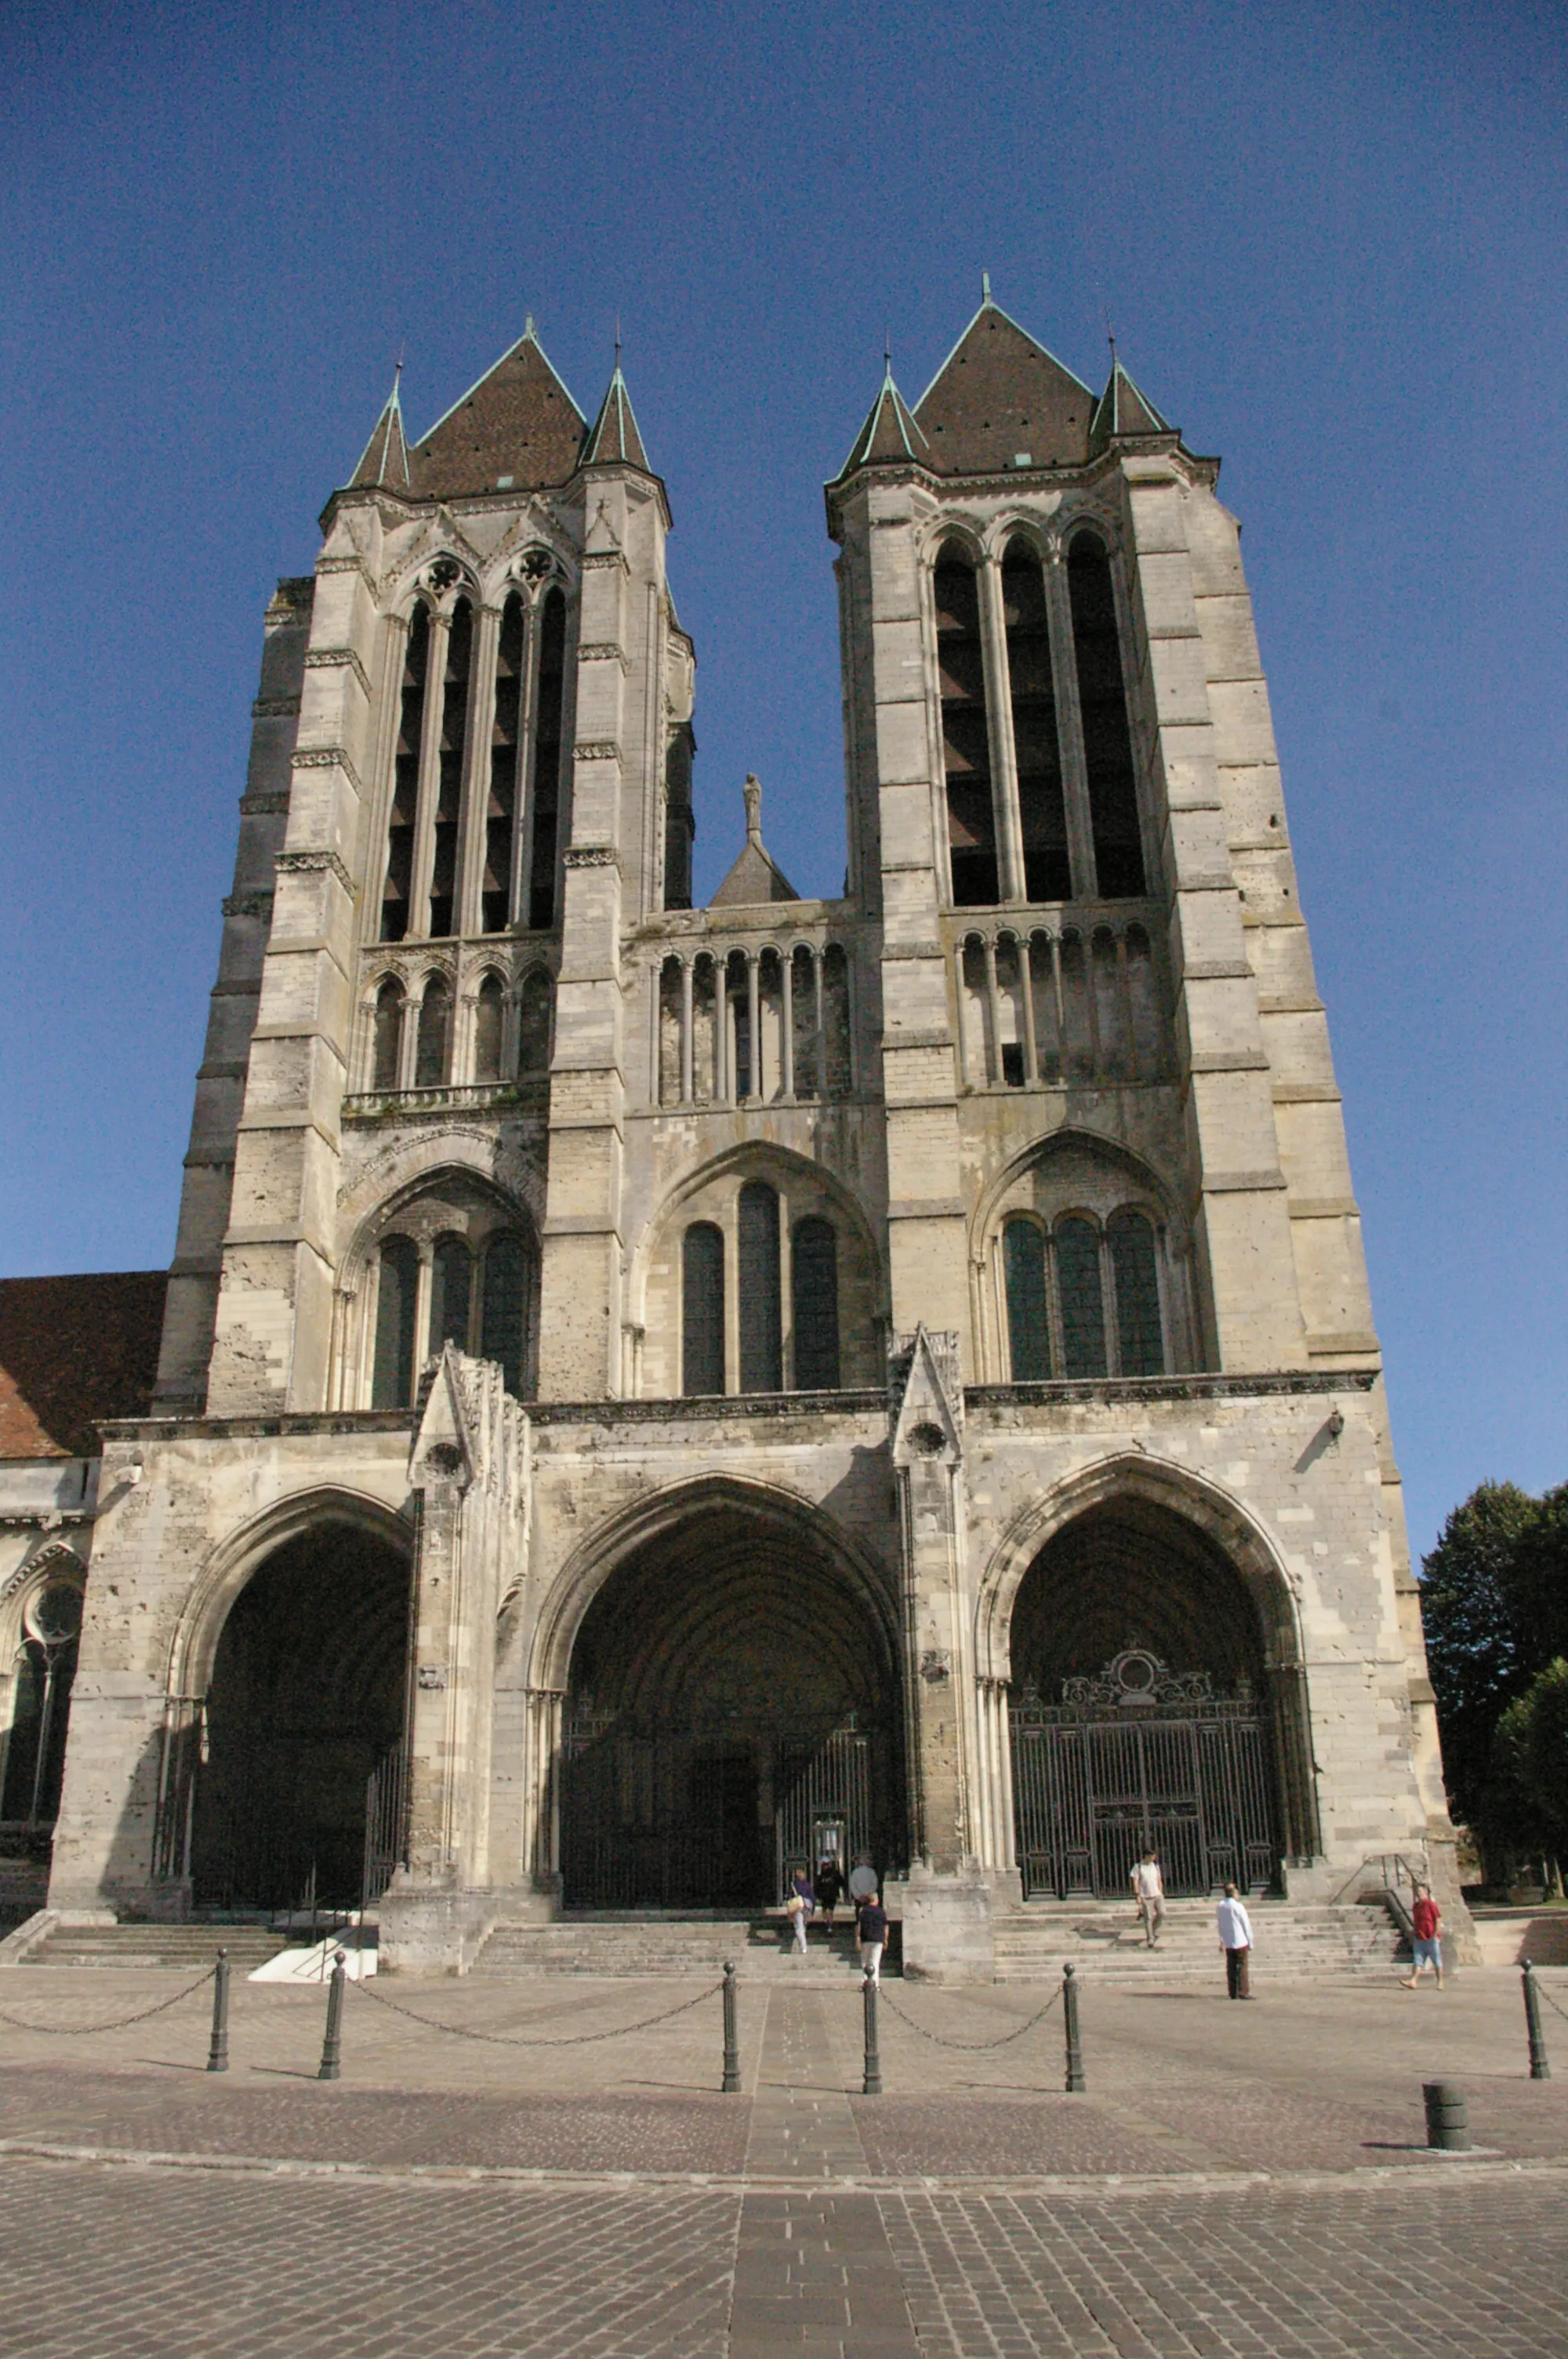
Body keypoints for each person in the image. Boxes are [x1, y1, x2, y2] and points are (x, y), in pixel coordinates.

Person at [1400, 1887, 1444, 1989]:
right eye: (1417, 1892)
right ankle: (1413, 1981)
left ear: (1426, 1893)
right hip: (1420, 1936)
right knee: (1418, 1961)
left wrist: (1435, 1934)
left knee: (1437, 1960)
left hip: (1431, 1937)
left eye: (1420, 1892)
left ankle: (1440, 1982)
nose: (1418, 1894)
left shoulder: (1431, 1904)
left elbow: (1438, 1919)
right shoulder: (1416, 1906)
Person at [1216, 1882, 1253, 1997]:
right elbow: (1246, 1925)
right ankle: (1243, 1991)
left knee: (1231, 1967)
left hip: (1229, 1941)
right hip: (1240, 1940)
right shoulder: (1238, 1906)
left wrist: (1222, 1940)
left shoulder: (1221, 1906)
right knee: (1242, 1966)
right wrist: (1250, 1941)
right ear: (1234, 1893)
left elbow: (1220, 1924)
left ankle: (1232, 1991)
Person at [1130, 1851, 1165, 1947]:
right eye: (1152, 1855)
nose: (1154, 1857)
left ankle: (1152, 1931)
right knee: (1148, 1917)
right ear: (1147, 1856)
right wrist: (1137, 1895)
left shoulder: (1155, 1866)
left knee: (1162, 1913)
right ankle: (1150, 1938)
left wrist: (1161, 1892)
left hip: (1157, 1894)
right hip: (1145, 1895)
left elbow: (1159, 1879)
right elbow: (1135, 1881)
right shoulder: (1138, 1867)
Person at [857, 1888, 889, 1983]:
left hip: (865, 1938)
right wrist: (886, 1939)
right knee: (875, 1962)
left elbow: (859, 1926)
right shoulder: (881, 1912)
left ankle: (865, 1981)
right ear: (876, 1900)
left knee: (865, 1962)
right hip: (878, 1939)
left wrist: (858, 1939)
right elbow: (885, 1926)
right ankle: (875, 1983)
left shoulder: (863, 1911)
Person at [786, 1865, 814, 1954]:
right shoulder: (807, 1884)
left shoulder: (794, 1884)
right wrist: (813, 1910)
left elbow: (789, 1896)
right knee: (804, 1924)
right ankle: (803, 1942)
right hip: (808, 1905)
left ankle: (803, 1947)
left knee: (799, 1927)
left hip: (798, 1905)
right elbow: (812, 1897)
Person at [814, 1855, 844, 1932]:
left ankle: (827, 1923)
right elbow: (841, 1882)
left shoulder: (823, 1874)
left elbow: (817, 1886)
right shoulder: (833, 1873)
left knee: (827, 1910)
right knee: (828, 1910)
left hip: (827, 1895)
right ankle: (828, 1924)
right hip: (829, 1895)